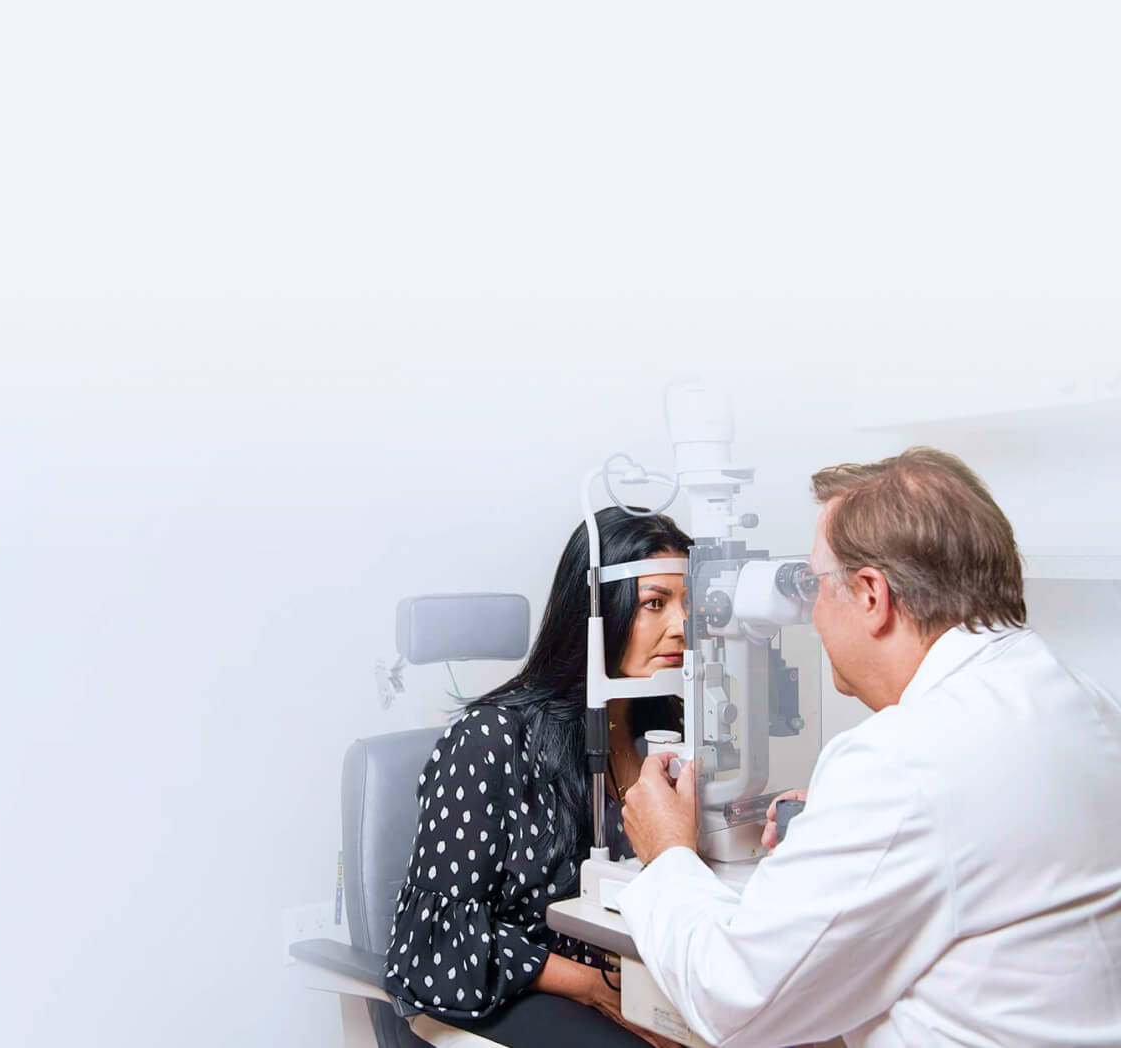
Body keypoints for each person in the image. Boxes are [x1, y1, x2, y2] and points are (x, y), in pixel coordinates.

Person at [619, 447, 1121, 1048]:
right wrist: (844, 826)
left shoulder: (901, 763)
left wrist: (667, 854)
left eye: (815, 586)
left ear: (870, 595)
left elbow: (732, 1000)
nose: (812, 615)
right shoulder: (1086, 702)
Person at [383, 506, 690, 1047]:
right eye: (654, 603)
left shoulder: (663, 730)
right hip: (511, 988)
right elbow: (437, 944)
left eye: (688, 603)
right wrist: (595, 987)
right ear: (596, 611)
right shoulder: (490, 739)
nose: (681, 625)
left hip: (629, 975)